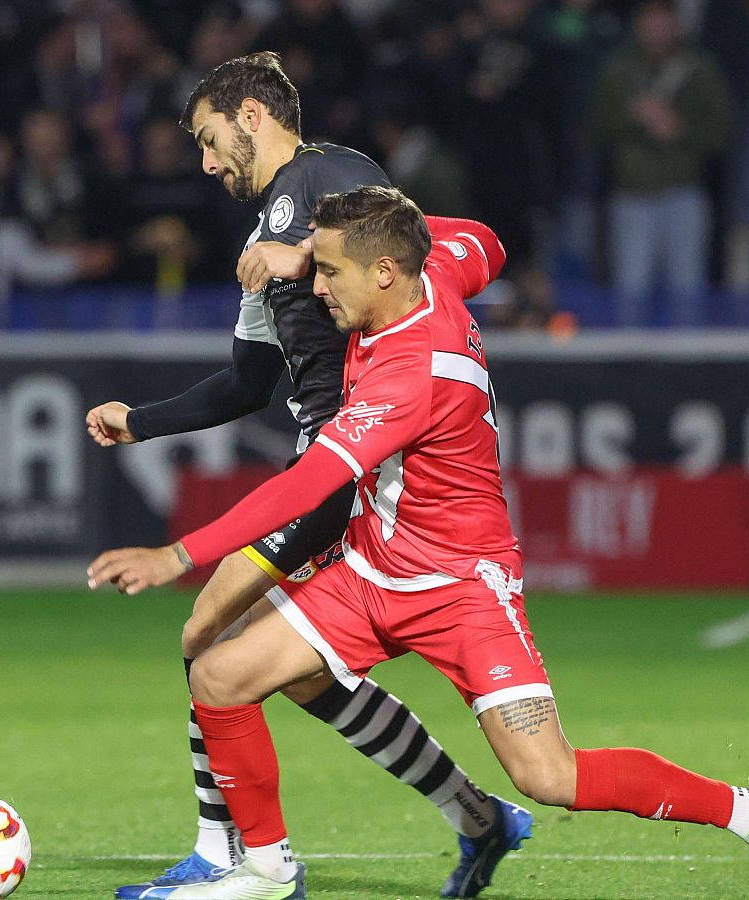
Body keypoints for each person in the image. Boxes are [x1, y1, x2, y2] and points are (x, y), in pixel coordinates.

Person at [88, 186, 749, 900]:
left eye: (330, 273)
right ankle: (266, 869)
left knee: (548, 777)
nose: (317, 289)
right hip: (371, 568)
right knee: (220, 677)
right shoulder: (432, 267)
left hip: (463, 587)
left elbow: (306, 484)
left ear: (382, 273)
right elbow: (489, 241)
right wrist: (310, 248)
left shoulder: (412, 374)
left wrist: (176, 556)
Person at [83, 53, 529, 900]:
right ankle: (476, 815)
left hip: (350, 467)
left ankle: (236, 856)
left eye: (212, 142)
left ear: (253, 115)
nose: (207, 165)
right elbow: (247, 384)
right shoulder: (260, 242)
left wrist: (302, 256)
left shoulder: (338, 180)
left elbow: (429, 252)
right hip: (319, 461)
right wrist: (139, 420)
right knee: (299, 674)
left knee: (206, 637)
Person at [592, 0, 733, 327]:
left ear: (676, 25)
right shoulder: (618, 70)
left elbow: (721, 130)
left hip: (684, 192)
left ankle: (689, 369)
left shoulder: (699, 69)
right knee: (631, 292)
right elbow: (597, 126)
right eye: (649, 22)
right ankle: (630, 366)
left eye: (663, 22)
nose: (656, 30)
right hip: (632, 194)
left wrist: (678, 127)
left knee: (687, 291)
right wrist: (635, 116)